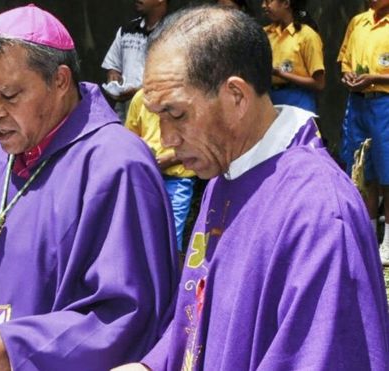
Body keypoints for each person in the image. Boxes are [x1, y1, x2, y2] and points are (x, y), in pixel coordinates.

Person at [0, 4, 179, 370]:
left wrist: (16, 347)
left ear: (60, 81)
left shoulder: (117, 166)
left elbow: (129, 313)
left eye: (9, 96)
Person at [115, 5, 389, 371]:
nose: (166, 139)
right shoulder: (225, 174)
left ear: (236, 97)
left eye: (176, 114)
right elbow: (201, 321)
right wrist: (150, 365)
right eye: (157, 117)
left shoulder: (317, 212)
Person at [337, 0, 389, 265]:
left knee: (387, 174)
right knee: (362, 171)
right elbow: (344, 58)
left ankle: (388, 242)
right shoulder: (358, 22)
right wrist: (348, 76)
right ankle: (367, 236)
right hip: (357, 103)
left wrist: (375, 79)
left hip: (385, 104)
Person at [126, 89, 195, 250]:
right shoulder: (141, 97)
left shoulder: (188, 96)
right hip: (145, 175)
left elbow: (199, 141)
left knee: (172, 238)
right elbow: (130, 137)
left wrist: (171, 158)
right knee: (142, 234)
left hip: (177, 178)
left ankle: (172, 274)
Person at [101, 0, 168, 121]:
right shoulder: (127, 30)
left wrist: (138, 91)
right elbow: (113, 66)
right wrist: (114, 80)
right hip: (125, 111)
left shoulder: (173, 32)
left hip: (156, 114)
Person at [262, 0, 325, 113]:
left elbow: (319, 84)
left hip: (299, 102)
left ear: (286, 3)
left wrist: (281, 74)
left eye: (268, 1)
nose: (264, 6)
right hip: (270, 100)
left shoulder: (307, 36)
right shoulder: (264, 34)